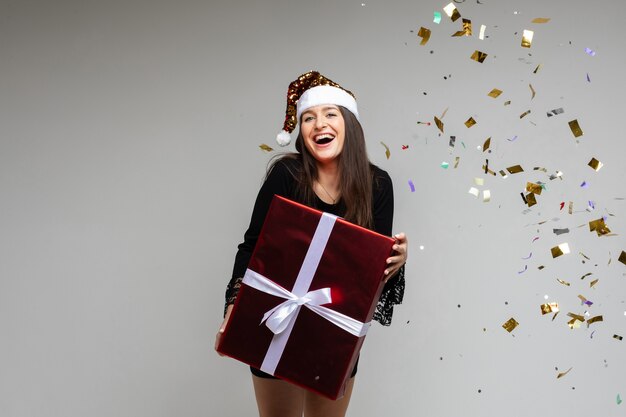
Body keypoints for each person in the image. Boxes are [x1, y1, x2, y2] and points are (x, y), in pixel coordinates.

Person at [215, 71, 408, 417]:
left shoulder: (377, 185)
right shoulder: (285, 175)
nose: (319, 124)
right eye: (308, 117)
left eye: (330, 114)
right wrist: (233, 307)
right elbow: (252, 246)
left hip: (333, 332)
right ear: (300, 132)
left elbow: (370, 281)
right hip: (275, 319)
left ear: (350, 124)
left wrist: (395, 261)